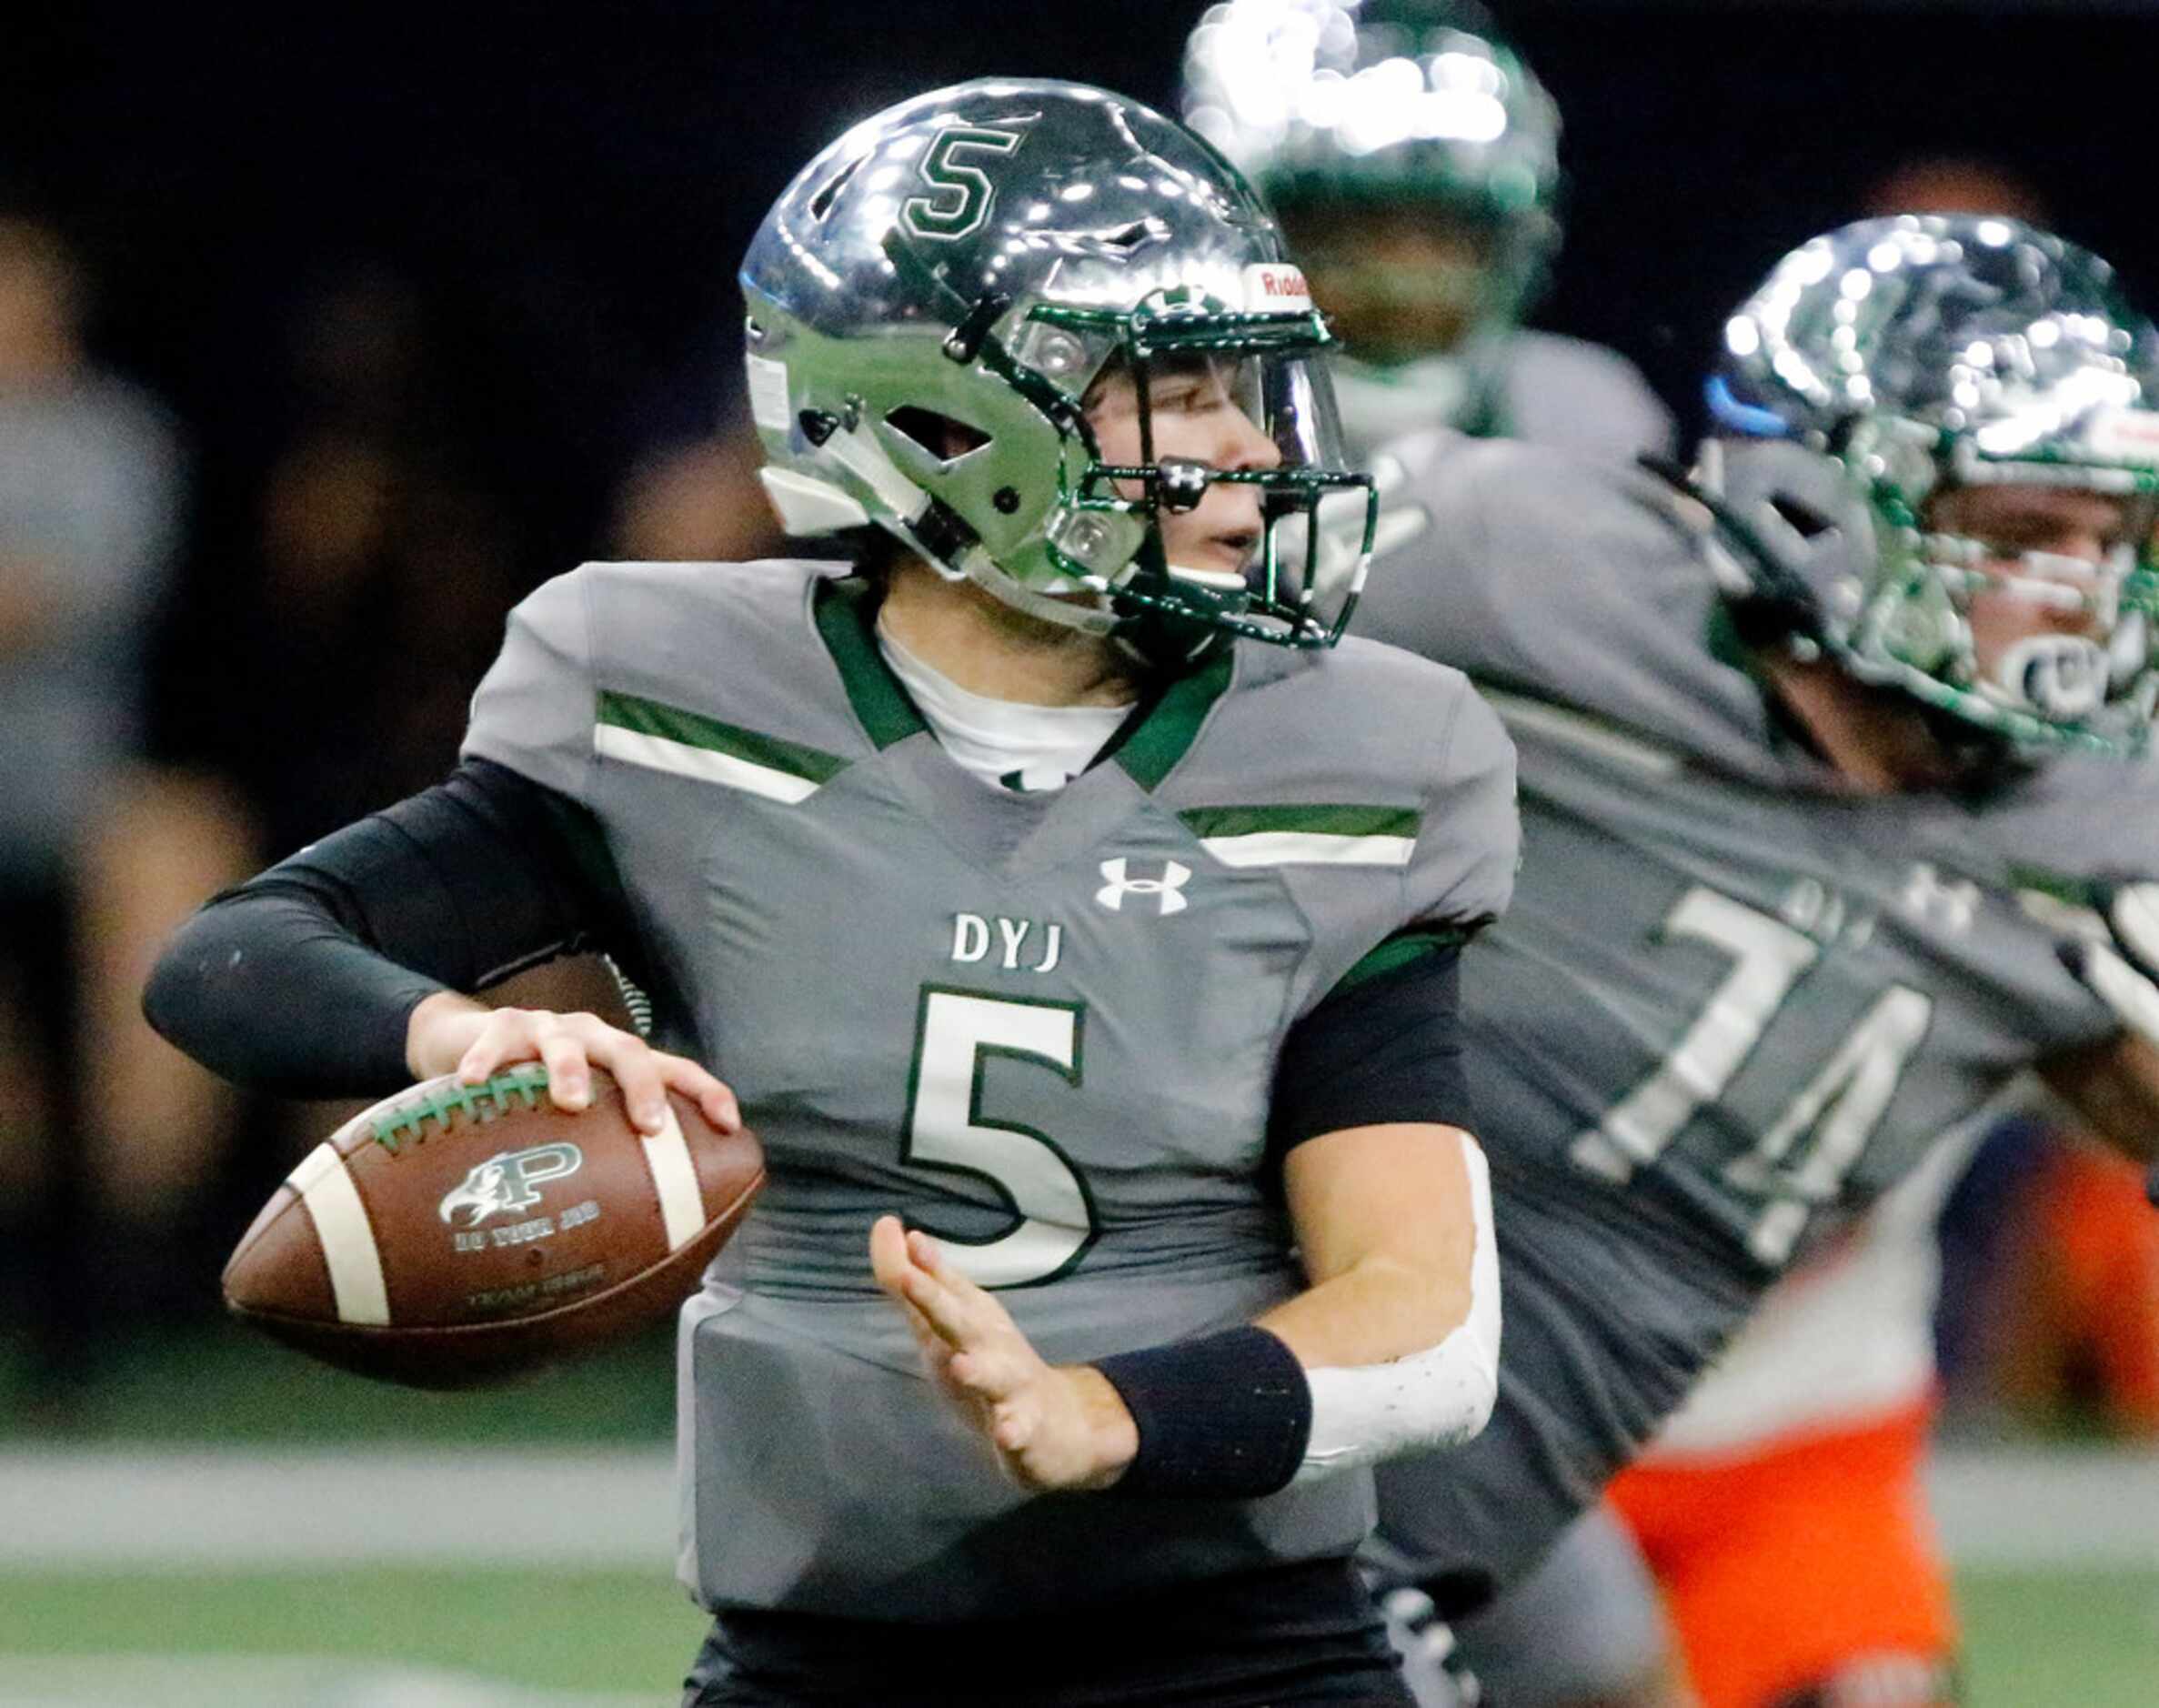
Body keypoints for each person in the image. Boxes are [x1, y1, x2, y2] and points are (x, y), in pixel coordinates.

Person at [144, 79, 1521, 1707]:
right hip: (822, 1654)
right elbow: (228, 960)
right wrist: (456, 1036)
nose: (1242, 441)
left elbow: (1423, 1313)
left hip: (1240, 1649)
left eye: (1240, 383)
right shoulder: (679, 699)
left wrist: (1104, 1411)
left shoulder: (1354, 750)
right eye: (1172, 385)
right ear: (943, 423)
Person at [1339, 215, 2159, 1704]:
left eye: (2111, 541)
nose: (2079, 598)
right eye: (2025, 532)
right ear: (1811, 497)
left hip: (1528, 1486)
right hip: (1233, 1386)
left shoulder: (2090, 826)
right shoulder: (1508, 564)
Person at [1181, 0, 1673, 464]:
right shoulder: (1163, 414)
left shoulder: (1583, 413)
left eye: (1447, 235)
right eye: (1356, 229)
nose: (1403, 278)